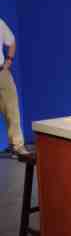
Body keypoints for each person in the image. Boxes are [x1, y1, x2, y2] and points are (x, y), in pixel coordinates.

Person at [0, 17, 31, 159]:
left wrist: (9, 60)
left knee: (12, 109)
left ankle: (17, 146)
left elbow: (11, 41)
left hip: (1, 73)